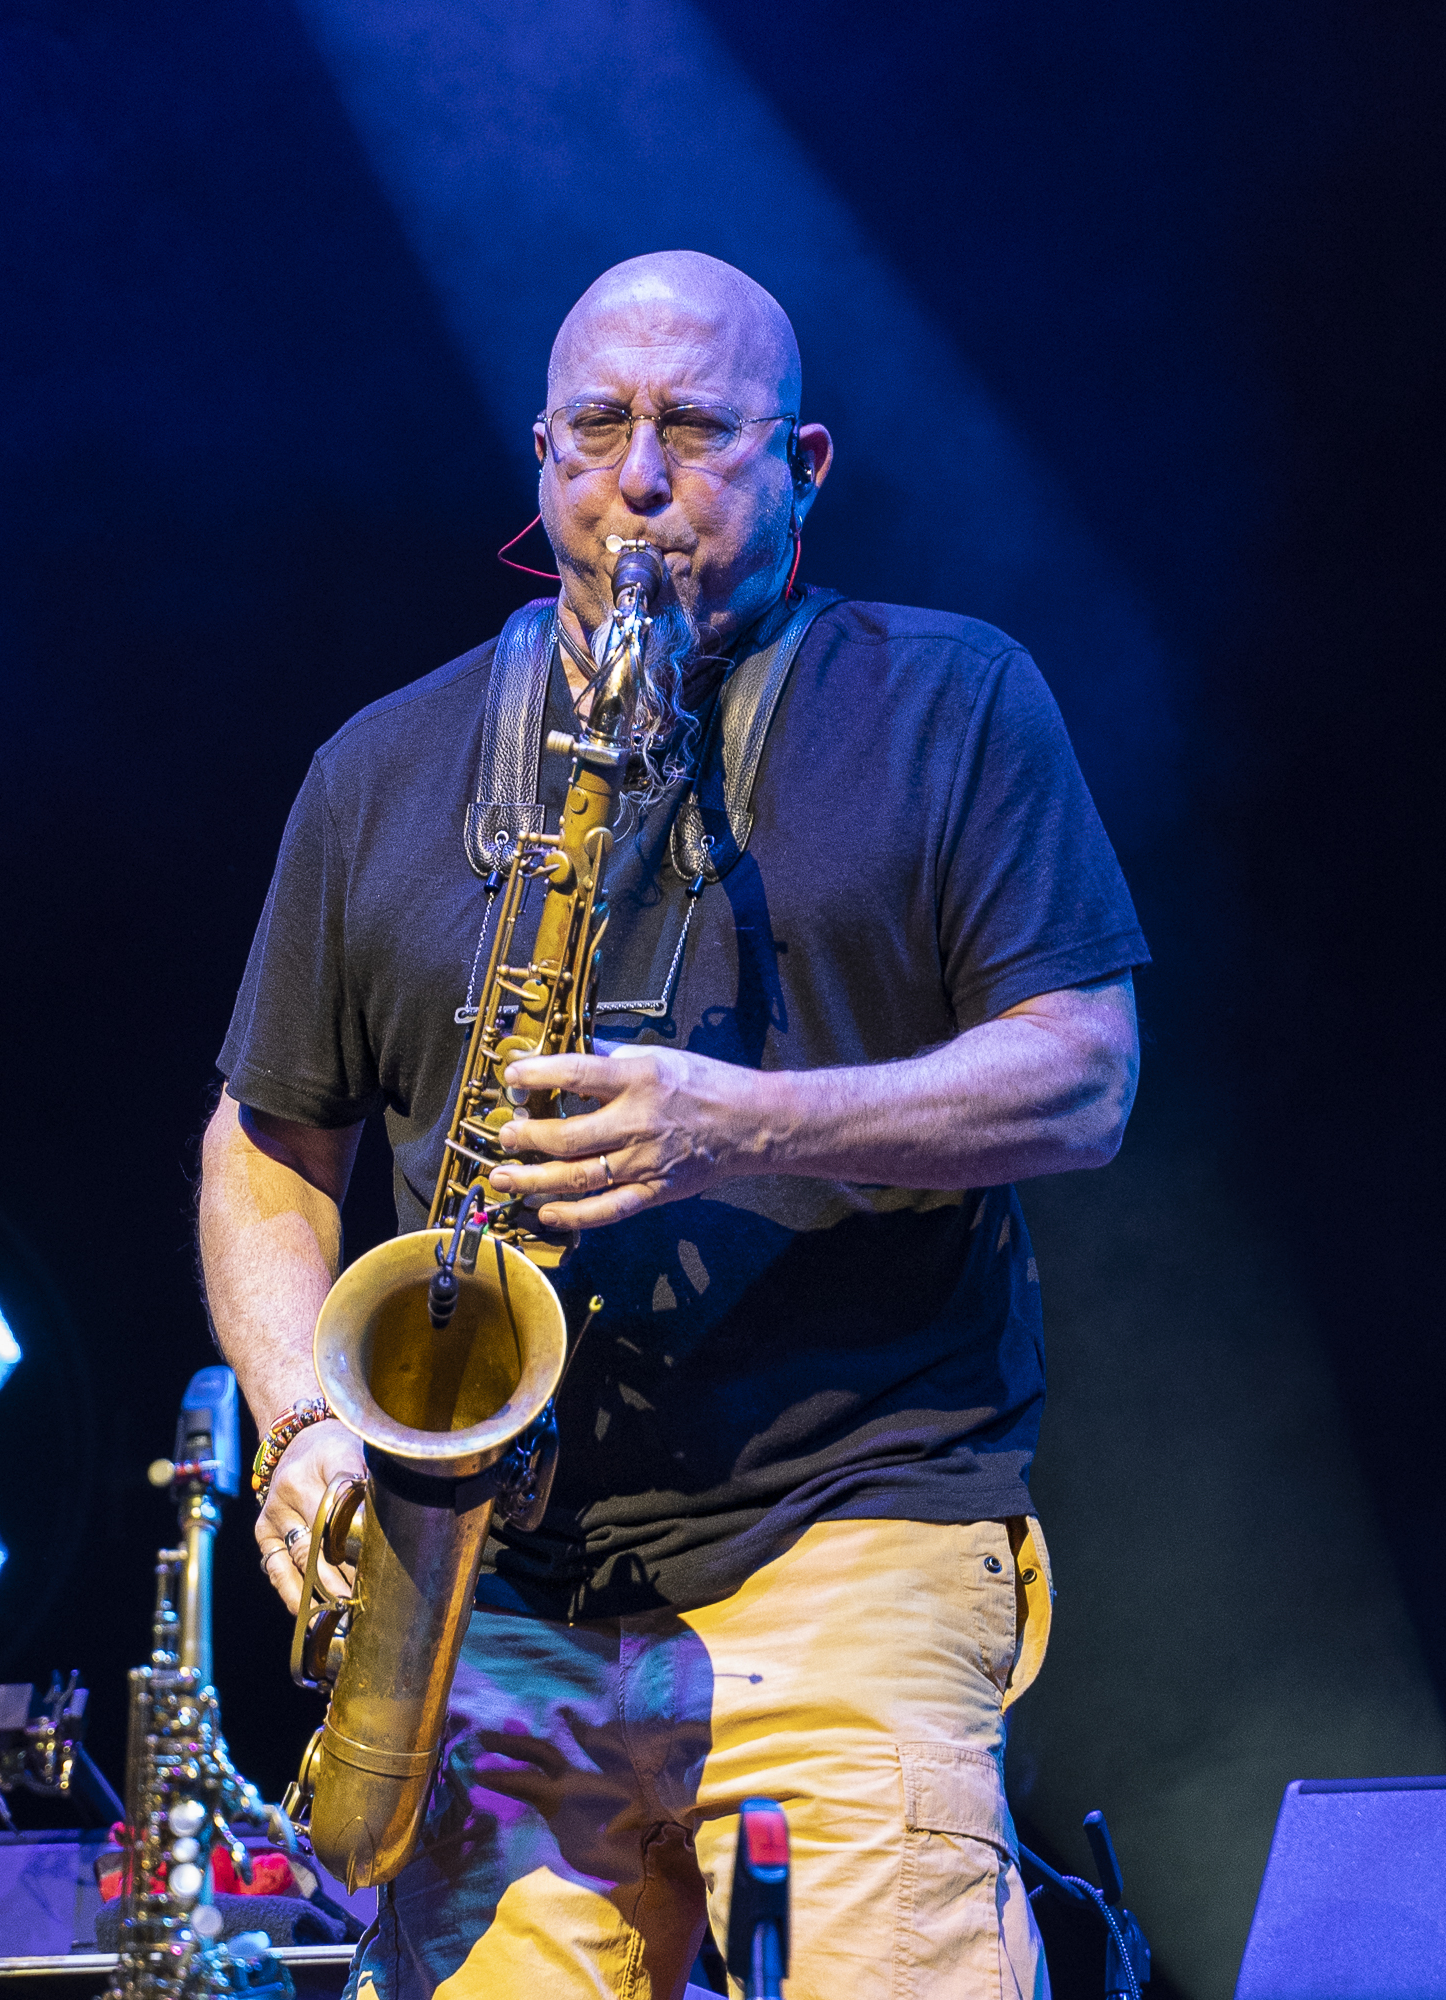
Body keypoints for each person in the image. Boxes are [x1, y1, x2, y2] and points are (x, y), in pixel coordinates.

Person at [199, 249, 1147, 1999]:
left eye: (700, 429)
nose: (643, 480)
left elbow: (1084, 1071)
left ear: (804, 465)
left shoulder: (953, 702)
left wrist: (745, 1122)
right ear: (539, 453)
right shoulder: (380, 767)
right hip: (496, 1580)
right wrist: (305, 1425)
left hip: (854, 1528)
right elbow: (267, 1143)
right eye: (600, 430)